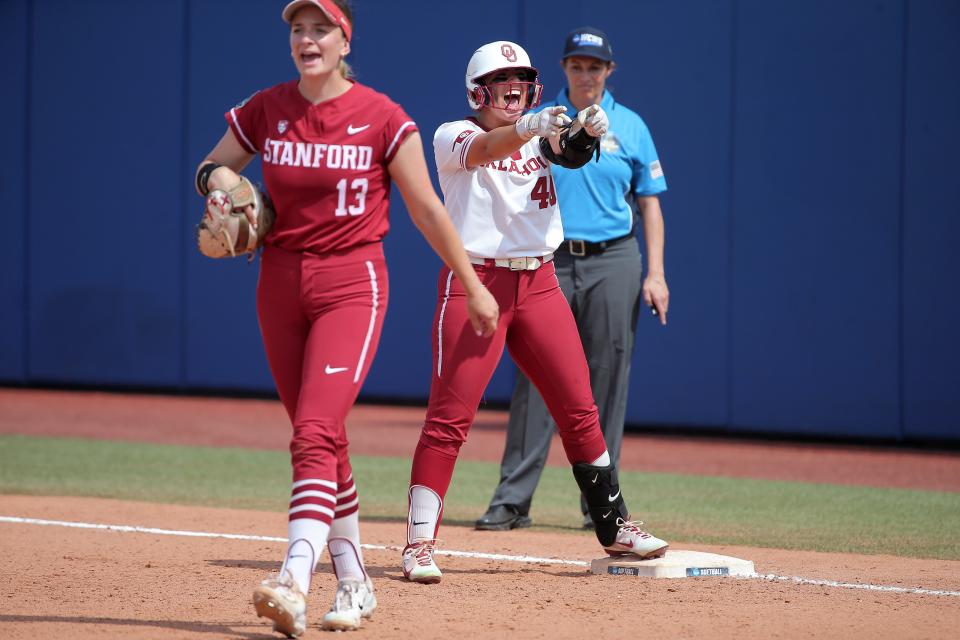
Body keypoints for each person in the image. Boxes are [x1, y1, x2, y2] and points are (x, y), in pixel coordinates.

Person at [195, 1, 498, 635]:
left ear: (344, 38)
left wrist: (472, 284)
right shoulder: (268, 108)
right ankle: (355, 583)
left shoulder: (383, 118)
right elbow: (210, 166)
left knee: (311, 430)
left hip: (350, 285)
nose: (307, 39)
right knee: (323, 438)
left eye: (320, 28)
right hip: (278, 283)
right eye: (298, 29)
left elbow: (428, 211)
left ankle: (294, 578)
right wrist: (224, 188)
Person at [400, 40, 668, 585]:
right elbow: (486, 150)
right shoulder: (454, 133)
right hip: (478, 282)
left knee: (579, 408)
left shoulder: (536, 130)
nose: (515, 86)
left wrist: (587, 133)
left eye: (521, 77)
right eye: (503, 79)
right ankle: (418, 543)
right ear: (479, 90)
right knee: (450, 419)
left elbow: (564, 151)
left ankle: (613, 525)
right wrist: (532, 129)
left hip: (540, 280)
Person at [475, 27, 670, 533]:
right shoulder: (540, 121)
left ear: (610, 72)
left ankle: (601, 506)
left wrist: (656, 273)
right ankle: (511, 501)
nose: (586, 74)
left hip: (613, 259)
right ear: (564, 69)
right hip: (549, 260)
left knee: (607, 379)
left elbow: (649, 202)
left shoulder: (630, 125)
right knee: (538, 379)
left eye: (595, 66)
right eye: (577, 65)